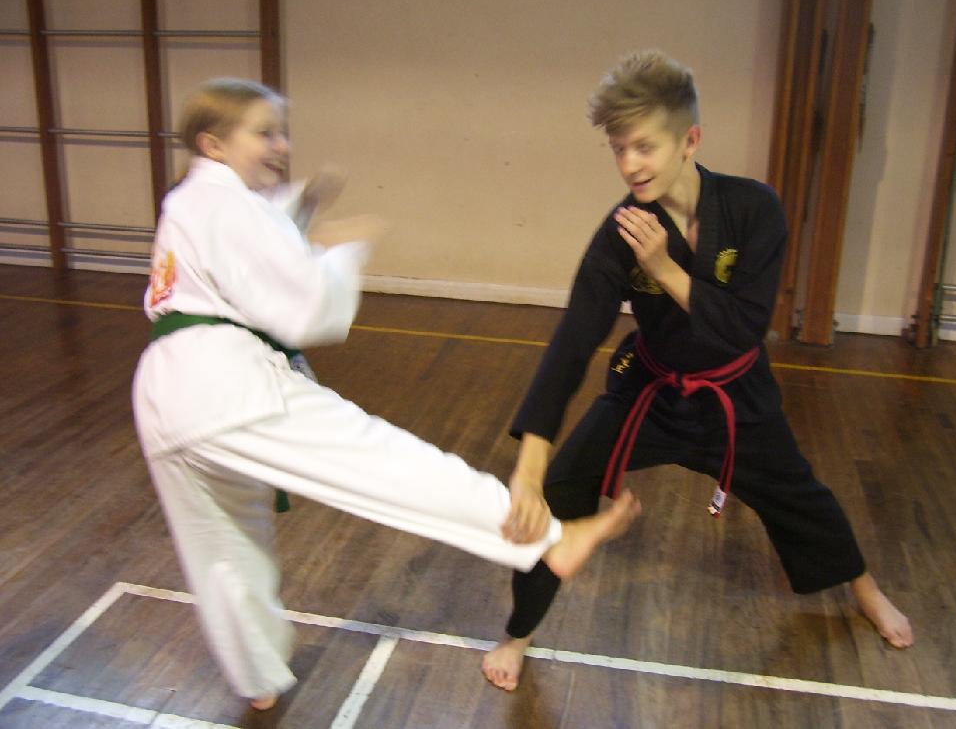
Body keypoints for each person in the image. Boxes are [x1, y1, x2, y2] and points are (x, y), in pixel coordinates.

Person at [132, 78, 641, 711]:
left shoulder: (191, 202)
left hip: (167, 395)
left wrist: (302, 209)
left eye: (281, 132)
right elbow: (303, 306)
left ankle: (256, 677)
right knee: (380, 460)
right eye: (264, 133)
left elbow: (249, 247)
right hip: (227, 387)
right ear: (213, 144)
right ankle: (549, 541)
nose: (281, 145)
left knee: (223, 550)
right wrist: (342, 252)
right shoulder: (223, 203)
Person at [481, 51, 913, 692]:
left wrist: (664, 268)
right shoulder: (621, 231)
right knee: (562, 485)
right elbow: (573, 342)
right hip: (651, 390)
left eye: (645, 147)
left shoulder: (753, 209)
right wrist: (529, 466)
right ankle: (519, 632)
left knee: (797, 495)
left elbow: (744, 327)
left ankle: (864, 588)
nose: (630, 165)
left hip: (736, 392)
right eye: (619, 149)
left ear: (691, 140)